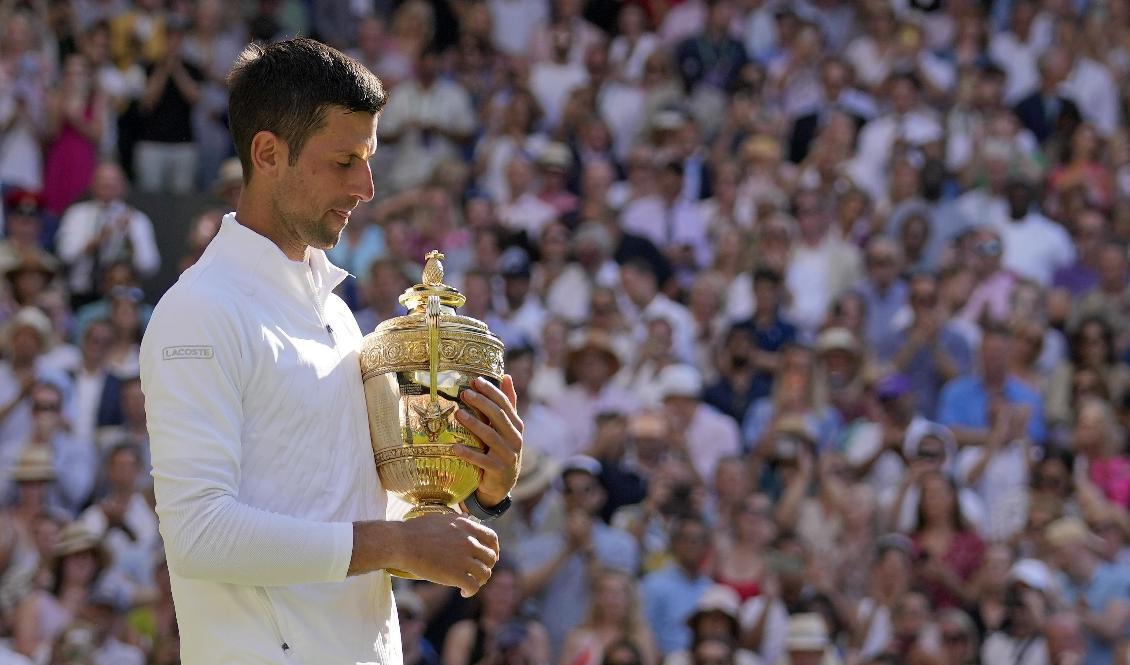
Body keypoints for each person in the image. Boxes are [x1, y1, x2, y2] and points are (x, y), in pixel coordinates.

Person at [139, 38, 523, 665]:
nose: (367, 186)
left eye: (368, 159)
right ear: (268, 154)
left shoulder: (338, 314)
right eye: (345, 161)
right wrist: (398, 547)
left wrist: (480, 484)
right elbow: (199, 535)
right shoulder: (199, 311)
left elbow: (345, 512)